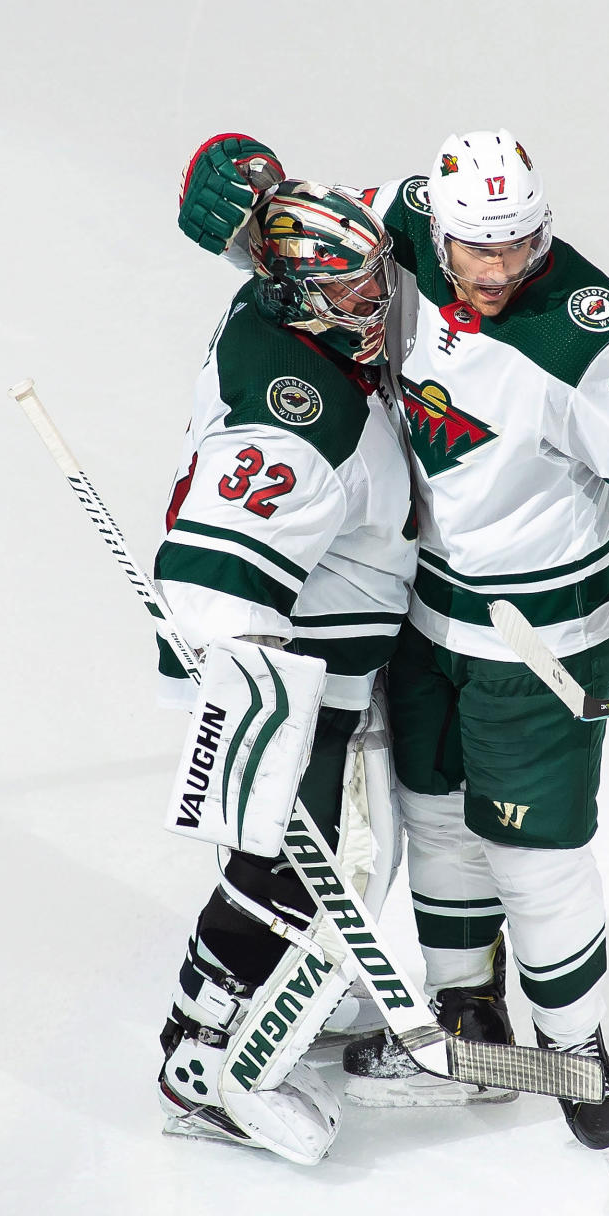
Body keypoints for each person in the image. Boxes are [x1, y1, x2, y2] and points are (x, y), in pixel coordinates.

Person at [177, 130, 609, 1151]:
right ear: (438, 222)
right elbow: (316, 257)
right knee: (431, 814)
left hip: (544, 635)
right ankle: (468, 1011)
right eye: (478, 250)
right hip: (428, 606)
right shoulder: (404, 219)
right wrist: (235, 217)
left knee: (535, 848)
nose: (497, 272)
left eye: (520, 247)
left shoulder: (587, 340)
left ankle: (575, 1041)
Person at [155, 160, 417, 1164]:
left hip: (339, 659)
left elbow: (287, 232)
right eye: (352, 291)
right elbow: (213, 580)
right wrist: (265, 706)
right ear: (302, 299)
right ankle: (202, 1063)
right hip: (293, 667)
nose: (375, 300)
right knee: (296, 869)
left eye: (375, 276)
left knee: (359, 855)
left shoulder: (289, 318)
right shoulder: (298, 412)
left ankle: (288, 991)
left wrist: (241, 181)